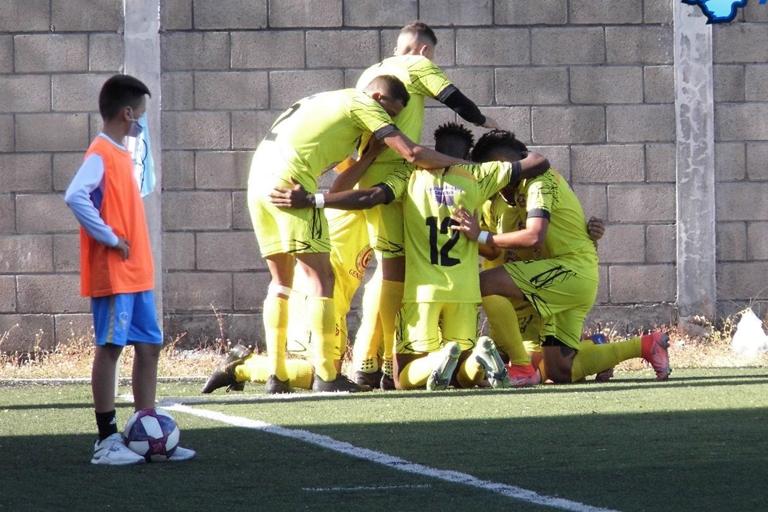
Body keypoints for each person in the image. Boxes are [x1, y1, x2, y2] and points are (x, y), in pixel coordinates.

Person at [210, 75, 468, 395]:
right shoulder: (362, 103)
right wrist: (467, 167)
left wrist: (368, 157)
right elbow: (410, 154)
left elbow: (338, 185)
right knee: (322, 279)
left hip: (260, 183)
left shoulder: (327, 106)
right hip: (293, 190)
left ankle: (276, 374)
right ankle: (326, 375)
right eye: (390, 114)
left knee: (280, 282)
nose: (388, 122)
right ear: (378, 98)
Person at [269, 123, 551, 390]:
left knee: (402, 378)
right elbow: (538, 162)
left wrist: (313, 200)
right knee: (460, 377)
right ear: (465, 155)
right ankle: (478, 358)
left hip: (422, 293)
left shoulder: (411, 174)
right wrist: (480, 166)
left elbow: (371, 196)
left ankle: (438, 358)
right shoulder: (480, 175)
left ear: (434, 149)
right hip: (464, 292)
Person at [453, 130, 671, 386]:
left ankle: (521, 367)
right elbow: (495, 249)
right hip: (546, 284)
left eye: (501, 171)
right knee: (558, 372)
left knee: (485, 284)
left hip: (568, 272)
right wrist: (466, 235)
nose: (497, 180)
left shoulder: (540, 182)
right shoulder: (494, 202)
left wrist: (481, 236)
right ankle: (644, 345)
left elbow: (534, 236)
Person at [349, 21, 501, 389]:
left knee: (385, 268)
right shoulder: (417, 64)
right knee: (392, 270)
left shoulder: (371, 73)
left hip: (371, 172)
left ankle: (372, 360)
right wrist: (486, 121)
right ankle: (378, 361)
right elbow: (456, 101)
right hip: (395, 174)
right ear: (424, 50)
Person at [64, 74, 194, 464]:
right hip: (114, 274)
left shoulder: (122, 154)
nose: (142, 122)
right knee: (111, 348)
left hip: (136, 274)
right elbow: (75, 195)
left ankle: (146, 430)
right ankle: (106, 440)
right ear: (127, 113)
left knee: (150, 346)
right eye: (141, 114)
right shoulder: (100, 153)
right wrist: (108, 237)